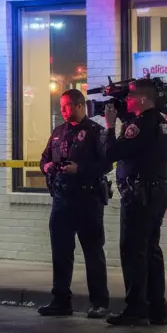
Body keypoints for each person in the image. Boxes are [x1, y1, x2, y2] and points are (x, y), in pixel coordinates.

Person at [104, 78, 167, 326]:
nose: (128, 101)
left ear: (143, 99)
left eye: (131, 97)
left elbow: (112, 153)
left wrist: (110, 126)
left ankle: (135, 309)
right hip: (156, 194)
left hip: (138, 196)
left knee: (133, 251)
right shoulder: (161, 123)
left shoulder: (140, 126)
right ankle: (157, 309)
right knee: (151, 250)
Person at [38, 88, 112, 318]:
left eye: (67, 106)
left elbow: (107, 164)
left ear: (81, 106)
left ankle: (99, 303)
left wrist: (80, 169)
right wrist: (47, 167)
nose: (63, 110)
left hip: (87, 199)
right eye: (61, 106)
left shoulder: (95, 132)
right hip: (61, 199)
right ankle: (60, 300)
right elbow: (44, 158)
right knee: (60, 252)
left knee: (92, 252)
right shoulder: (58, 131)